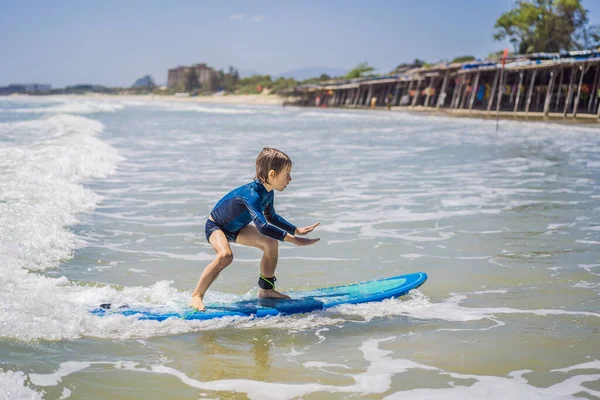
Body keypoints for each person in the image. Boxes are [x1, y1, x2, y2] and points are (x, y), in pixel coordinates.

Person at [190, 147, 320, 311]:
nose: (290, 179)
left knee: (271, 244)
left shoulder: (268, 192)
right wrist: (293, 240)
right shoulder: (253, 194)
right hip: (216, 226)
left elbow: (270, 216)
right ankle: (197, 296)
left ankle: (266, 290)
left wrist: (295, 230)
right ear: (272, 174)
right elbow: (263, 226)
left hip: (238, 228)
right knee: (225, 255)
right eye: (287, 174)